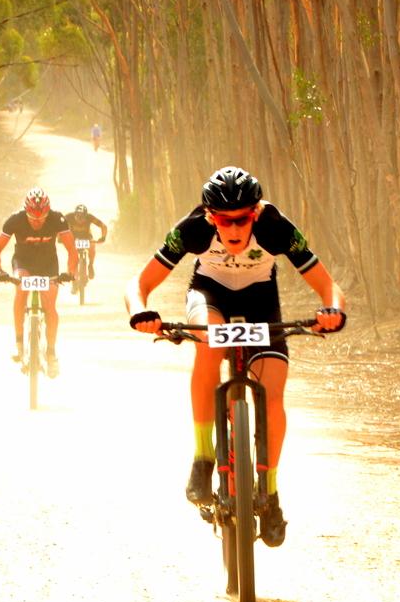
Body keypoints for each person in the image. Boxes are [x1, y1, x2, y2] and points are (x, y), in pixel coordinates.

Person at [125, 166, 346, 547]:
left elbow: (327, 284)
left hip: (261, 299)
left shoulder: (276, 227)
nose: (233, 230)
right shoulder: (193, 228)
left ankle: (270, 493)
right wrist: (140, 313)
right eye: (224, 221)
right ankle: (203, 458)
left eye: (242, 219)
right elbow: (139, 283)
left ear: (256, 212)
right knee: (210, 344)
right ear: (210, 216)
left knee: (273, 391)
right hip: (209, 294)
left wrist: (332, 310)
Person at [0, 188, 77, 377]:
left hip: (48, 265)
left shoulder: (58, 219)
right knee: (21, 290)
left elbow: (72, 249)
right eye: (32, 218)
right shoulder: (15, 220)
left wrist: (71, 272)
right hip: (23, 262)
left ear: (48, 212)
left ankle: (51, 353)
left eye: (41, 218)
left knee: (50, 305)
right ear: (25, 211)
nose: (37, 222)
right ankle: (19, 344)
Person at [65, 203, 109, 292]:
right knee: (72, 256)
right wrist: (60, 238)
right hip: (73, 238)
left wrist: (103, 237)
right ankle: (73, 277)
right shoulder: (68, 217)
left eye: (83, 218)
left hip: (87, 237)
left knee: (92, 246)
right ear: (75, 215)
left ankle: (90, 265)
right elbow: (58, 227)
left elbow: (103, 226)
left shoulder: (90, 217)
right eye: (78, 218)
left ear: (86, 216)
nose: (80, 221)